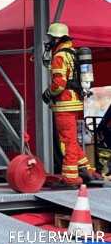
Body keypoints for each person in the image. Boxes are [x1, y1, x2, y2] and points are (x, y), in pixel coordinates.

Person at [42, 23, 98, 189]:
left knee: (66, 142)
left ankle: (70, 178)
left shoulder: (60, 56)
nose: (49, 41)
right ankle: (85, 170)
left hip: (64, 104)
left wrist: (47, 93)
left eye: (50, 37)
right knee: (72, 139)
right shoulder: (72, 53)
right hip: (74, 102)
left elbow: (59, 83)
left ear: (57, 38)